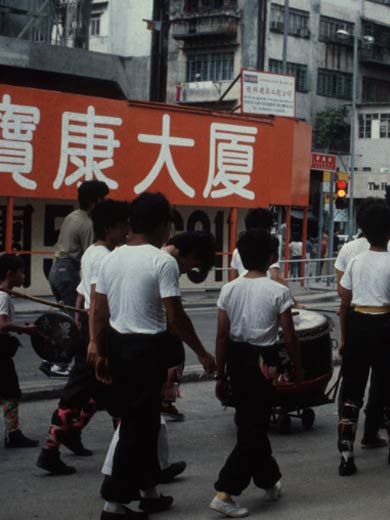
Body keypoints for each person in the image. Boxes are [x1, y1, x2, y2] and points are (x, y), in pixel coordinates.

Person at [91, 192, 216, 519]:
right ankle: (114, 504)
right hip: (146, 351)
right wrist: (202, 352)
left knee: (144, 424)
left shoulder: (111, 258)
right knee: (136, 428)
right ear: (163, 225)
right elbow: (175, 318)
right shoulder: (161, 261)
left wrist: (99, 348)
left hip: (118, 346)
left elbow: (99, 311)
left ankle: (150, 492)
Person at [209, 229, 300, 517]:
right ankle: (225, 492)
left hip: (236, 358)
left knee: (251, 423)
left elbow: (221, 336)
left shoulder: (229, 288)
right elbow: (289, 335)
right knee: (253, 427)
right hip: (264, 362)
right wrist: (298, 368)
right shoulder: (278, 291)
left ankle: (269, 481)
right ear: (272, 256)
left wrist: (220, 374)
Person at [36, 200, 131, 475]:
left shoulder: (92, 252)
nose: (127, 230)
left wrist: (79, 321)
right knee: (80, 393)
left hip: (93, 329)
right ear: (111, 227)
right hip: (101, 332)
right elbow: (97, 300)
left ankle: (125, 455)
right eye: (124, 225)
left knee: (110, 394)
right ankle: (50, 450)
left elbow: (80, 294)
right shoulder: (104, 257)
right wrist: (93, 340)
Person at [337, 204, 390, 476]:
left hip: (357, 326)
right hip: (385, 328)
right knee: (389, 391)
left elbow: (344, 304)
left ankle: (346, 456)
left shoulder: (355, 262)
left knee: (352, 394)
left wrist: (344, 338)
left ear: (365, 232)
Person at [45, 180, 109, 378]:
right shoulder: (88, 224)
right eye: (102, 198)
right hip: (69, 271)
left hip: (57, 269)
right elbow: (91, 254)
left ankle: (58, 359)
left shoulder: (73, 216)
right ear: (93, 201)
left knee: (67, 319)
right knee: (76, 321)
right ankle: (61, 363)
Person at [160, 231, 218, 421]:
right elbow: (175, 316)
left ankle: (164, 400)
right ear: (191, 254)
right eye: (195, 264)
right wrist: (202, 353)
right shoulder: (167, 263)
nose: (189, 270)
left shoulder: (158, 256)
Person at [1, 254, 48, 448]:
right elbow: (2, 325)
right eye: (21, 272)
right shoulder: (3, 296)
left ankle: (13, 432)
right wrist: (26, 330)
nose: (24, 276)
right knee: (11, 392)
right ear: (10, 274)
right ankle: (13, 434)